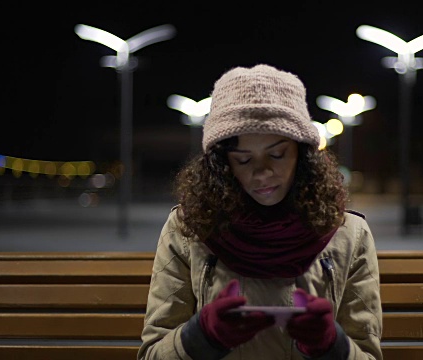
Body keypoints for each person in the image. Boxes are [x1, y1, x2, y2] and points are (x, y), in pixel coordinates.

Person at [137, 64, 382, 360]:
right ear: (221, 165)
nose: (262, 173)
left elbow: (367, 355)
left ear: (303, 154)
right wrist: (201, 336)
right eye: (242, 159)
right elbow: (152, 354)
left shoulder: (349, 234)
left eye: (277, 154)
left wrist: (331, 345)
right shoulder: (188, 228)